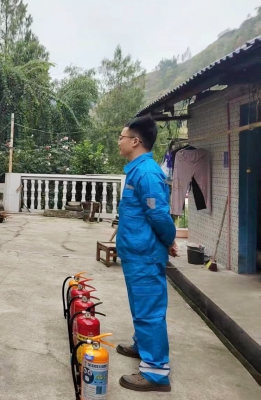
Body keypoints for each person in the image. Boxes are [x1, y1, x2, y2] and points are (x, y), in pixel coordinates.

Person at [115, 115, 177, 393]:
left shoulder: (148, 173)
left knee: (149, 311)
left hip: (145, 256)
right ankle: (142, 346)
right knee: (141, 307)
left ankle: (155, 373)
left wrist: (169, 239)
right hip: (136, 254)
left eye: (122, 137)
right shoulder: (137, 170)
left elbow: (159, 215)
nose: (119, 141)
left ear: (136, 141)